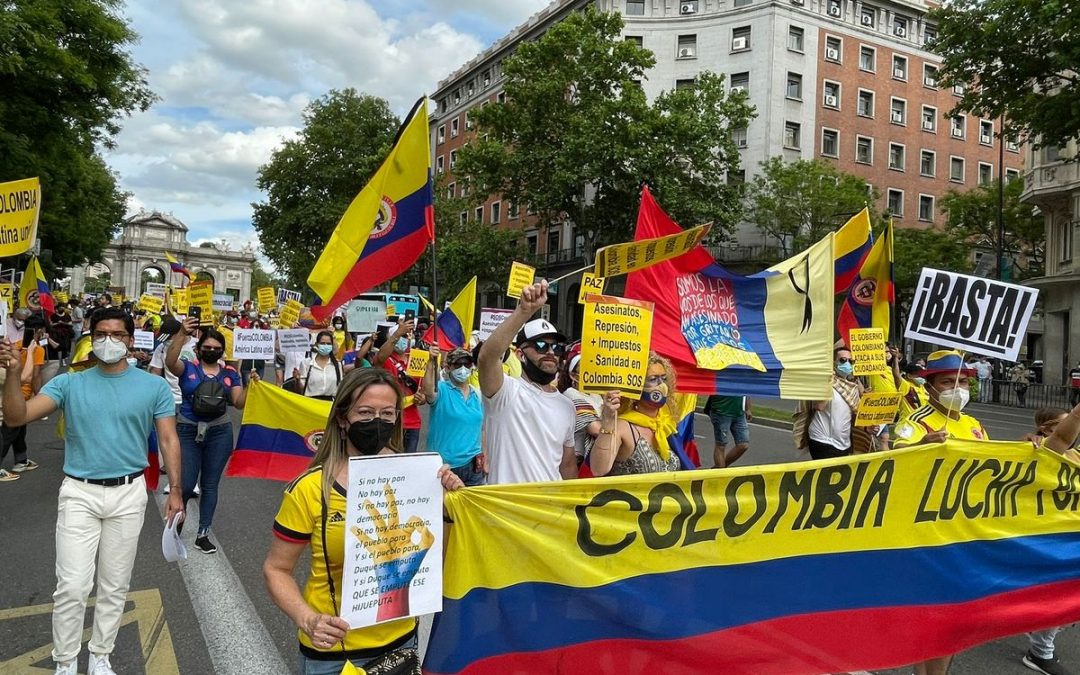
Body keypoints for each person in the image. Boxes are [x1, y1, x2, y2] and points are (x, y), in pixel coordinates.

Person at [1, 306, 183, 675]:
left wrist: (175, 488)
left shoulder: (153, 386)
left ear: (131, 342)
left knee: (115, 585)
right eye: (101, 333)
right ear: (90, 336)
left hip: (129, 493)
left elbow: (168, 437)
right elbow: (17, 417)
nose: (108, 341)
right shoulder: (71, 382)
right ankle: (65, 663)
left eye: (117, 335)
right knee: (71, 586)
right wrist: (10, 374)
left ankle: (101, 656)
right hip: (79, 494)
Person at [263, 368, 463, 675]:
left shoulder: (418, 478)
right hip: (334, 653)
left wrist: (451, 506)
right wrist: (307, 619)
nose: (377, 423)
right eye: (366, 413)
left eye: (387, 413)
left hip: (402, 644)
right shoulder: (310, 489)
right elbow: (277, 569)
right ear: (343, 418)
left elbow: (441, 558)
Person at [165, 319, 253, 554]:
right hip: (187, 430)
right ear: (198, 348)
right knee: (184, 485)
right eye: (207, 347)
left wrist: (251, 386)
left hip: (219, 433)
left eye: (217, 348)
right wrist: (182, 333)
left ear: (223, 351)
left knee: (210, 485)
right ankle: (175, 531)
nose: (212, 351)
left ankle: (203, 533)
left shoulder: (230, 374)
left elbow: (238, 403)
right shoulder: (188, 367)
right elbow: (169, 362)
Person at [477, 279, 576, 484]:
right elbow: (487, 358)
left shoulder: (567, 406)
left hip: (549, 510)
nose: (550, 352)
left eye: (556, 347)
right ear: (520, 354)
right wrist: (523, 311)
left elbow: (566, 465)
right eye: (540, 345)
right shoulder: (504, 392)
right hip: (506, 511)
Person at [590, 353, 683, 476]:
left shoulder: (666, 425)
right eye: (653, 379)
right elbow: (598, 469)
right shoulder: (622, 427)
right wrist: (608, 421)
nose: (662, 385)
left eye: (664, 378)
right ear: (635, 386)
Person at [423, 346, 485, 486]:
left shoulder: (477, 395)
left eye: (467, 364)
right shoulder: (441, 389)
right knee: (446, 508)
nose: (463, 368)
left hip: (474, 466)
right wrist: (431, 362)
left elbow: (482, 429)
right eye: (458, 364)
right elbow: (428, 391)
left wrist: (485, 457)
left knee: (471, 508)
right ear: (448, 367)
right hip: (446, 468)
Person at [371, 319, 425, 453]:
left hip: (412, 423)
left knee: (409, 467)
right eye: (399, 336)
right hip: (390, 422)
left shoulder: (417, 358)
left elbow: (423, 391)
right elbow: (379, 358)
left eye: (405, 336)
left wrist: (422, 398)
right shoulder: (386, 359)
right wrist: (397, 334)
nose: (402, 339)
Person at [802, 347, 862, 460]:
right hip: (822, 440)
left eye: (851, 361)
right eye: (843, 360)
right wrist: (828, 381)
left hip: (844, 443)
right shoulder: (826, 381)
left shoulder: (852, 388)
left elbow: (855, 414)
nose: (847, 364)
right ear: (834, 362)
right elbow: (820, 406)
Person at [561, 353, 602, 467]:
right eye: (586, 368)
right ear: (573, 376)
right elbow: (596, 429)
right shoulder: (571, 394)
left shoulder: (596, 396)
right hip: (580, 461)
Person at [705, 394, 752, 468]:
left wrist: (748, 408)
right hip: (721, 412)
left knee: (743, 445)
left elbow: (746, 388)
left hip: (739, 413)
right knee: (721, 445)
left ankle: (720, 468)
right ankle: (720, 472)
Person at [298, 331, 343, 401]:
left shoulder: (337, 365)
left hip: (329, 404)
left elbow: (340, 387)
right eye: (322, 343)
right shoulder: (306, 363)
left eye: (328, 344)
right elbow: (301, 389)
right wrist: (297, 379)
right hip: (311, 402)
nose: (325, 346)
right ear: (316, 344)